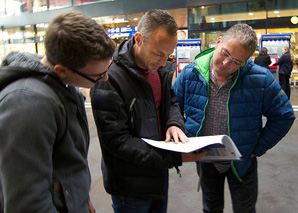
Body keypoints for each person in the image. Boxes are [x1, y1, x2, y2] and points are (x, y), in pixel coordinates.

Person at [90, 9, 206, 213]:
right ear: (139, 39)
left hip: (158, 174)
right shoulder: (109, 78)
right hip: (130, 184)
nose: (163, 62)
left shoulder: (159, 69)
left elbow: (171, 102)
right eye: (158, 54)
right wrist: (175, 157)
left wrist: (174, 123)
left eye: (169, 55)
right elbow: (117, 142)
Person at [0, 11, 115, 212]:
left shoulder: (64, 85)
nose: (105, 79)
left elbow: (66, 165)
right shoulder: (29, 104)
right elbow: (28, 203)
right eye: (98, 75)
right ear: (62, 70)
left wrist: (81, 198)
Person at [173, 23, 295, 213]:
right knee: (211, 207)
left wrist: (258, 148)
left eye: (237, 61)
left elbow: (284, 116)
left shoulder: (260, 79)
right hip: (206, 159)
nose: (226, 63)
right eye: (226, 53)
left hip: (242, 161)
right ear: (219, 42)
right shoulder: (191, 74)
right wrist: (179, 131)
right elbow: (173, 108)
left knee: (244, 209)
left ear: (246, 61)